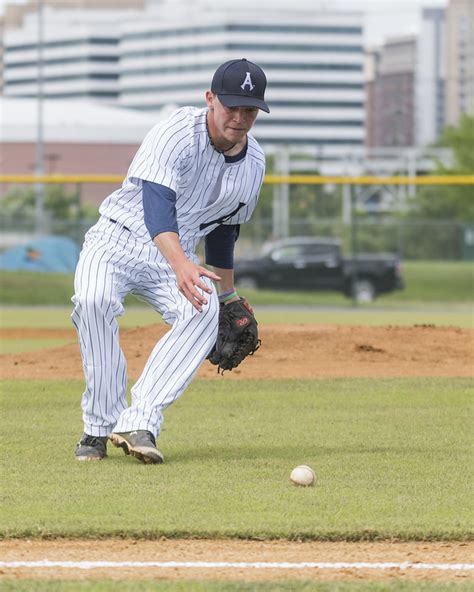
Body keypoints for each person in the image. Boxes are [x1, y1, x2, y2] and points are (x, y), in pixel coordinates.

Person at [72, 58, 270, 464]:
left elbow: (223, 229)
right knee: (93, 302)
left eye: (248, 109)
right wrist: (181, 263)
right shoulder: (177, 130)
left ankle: (139, 421)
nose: (238, 117)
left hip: (179, 257)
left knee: (202, 311)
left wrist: (228, 293)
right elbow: (156, 203)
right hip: (117, 238)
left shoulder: (254, 165)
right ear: (210, 99)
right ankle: (99, 426)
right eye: (230, 105)